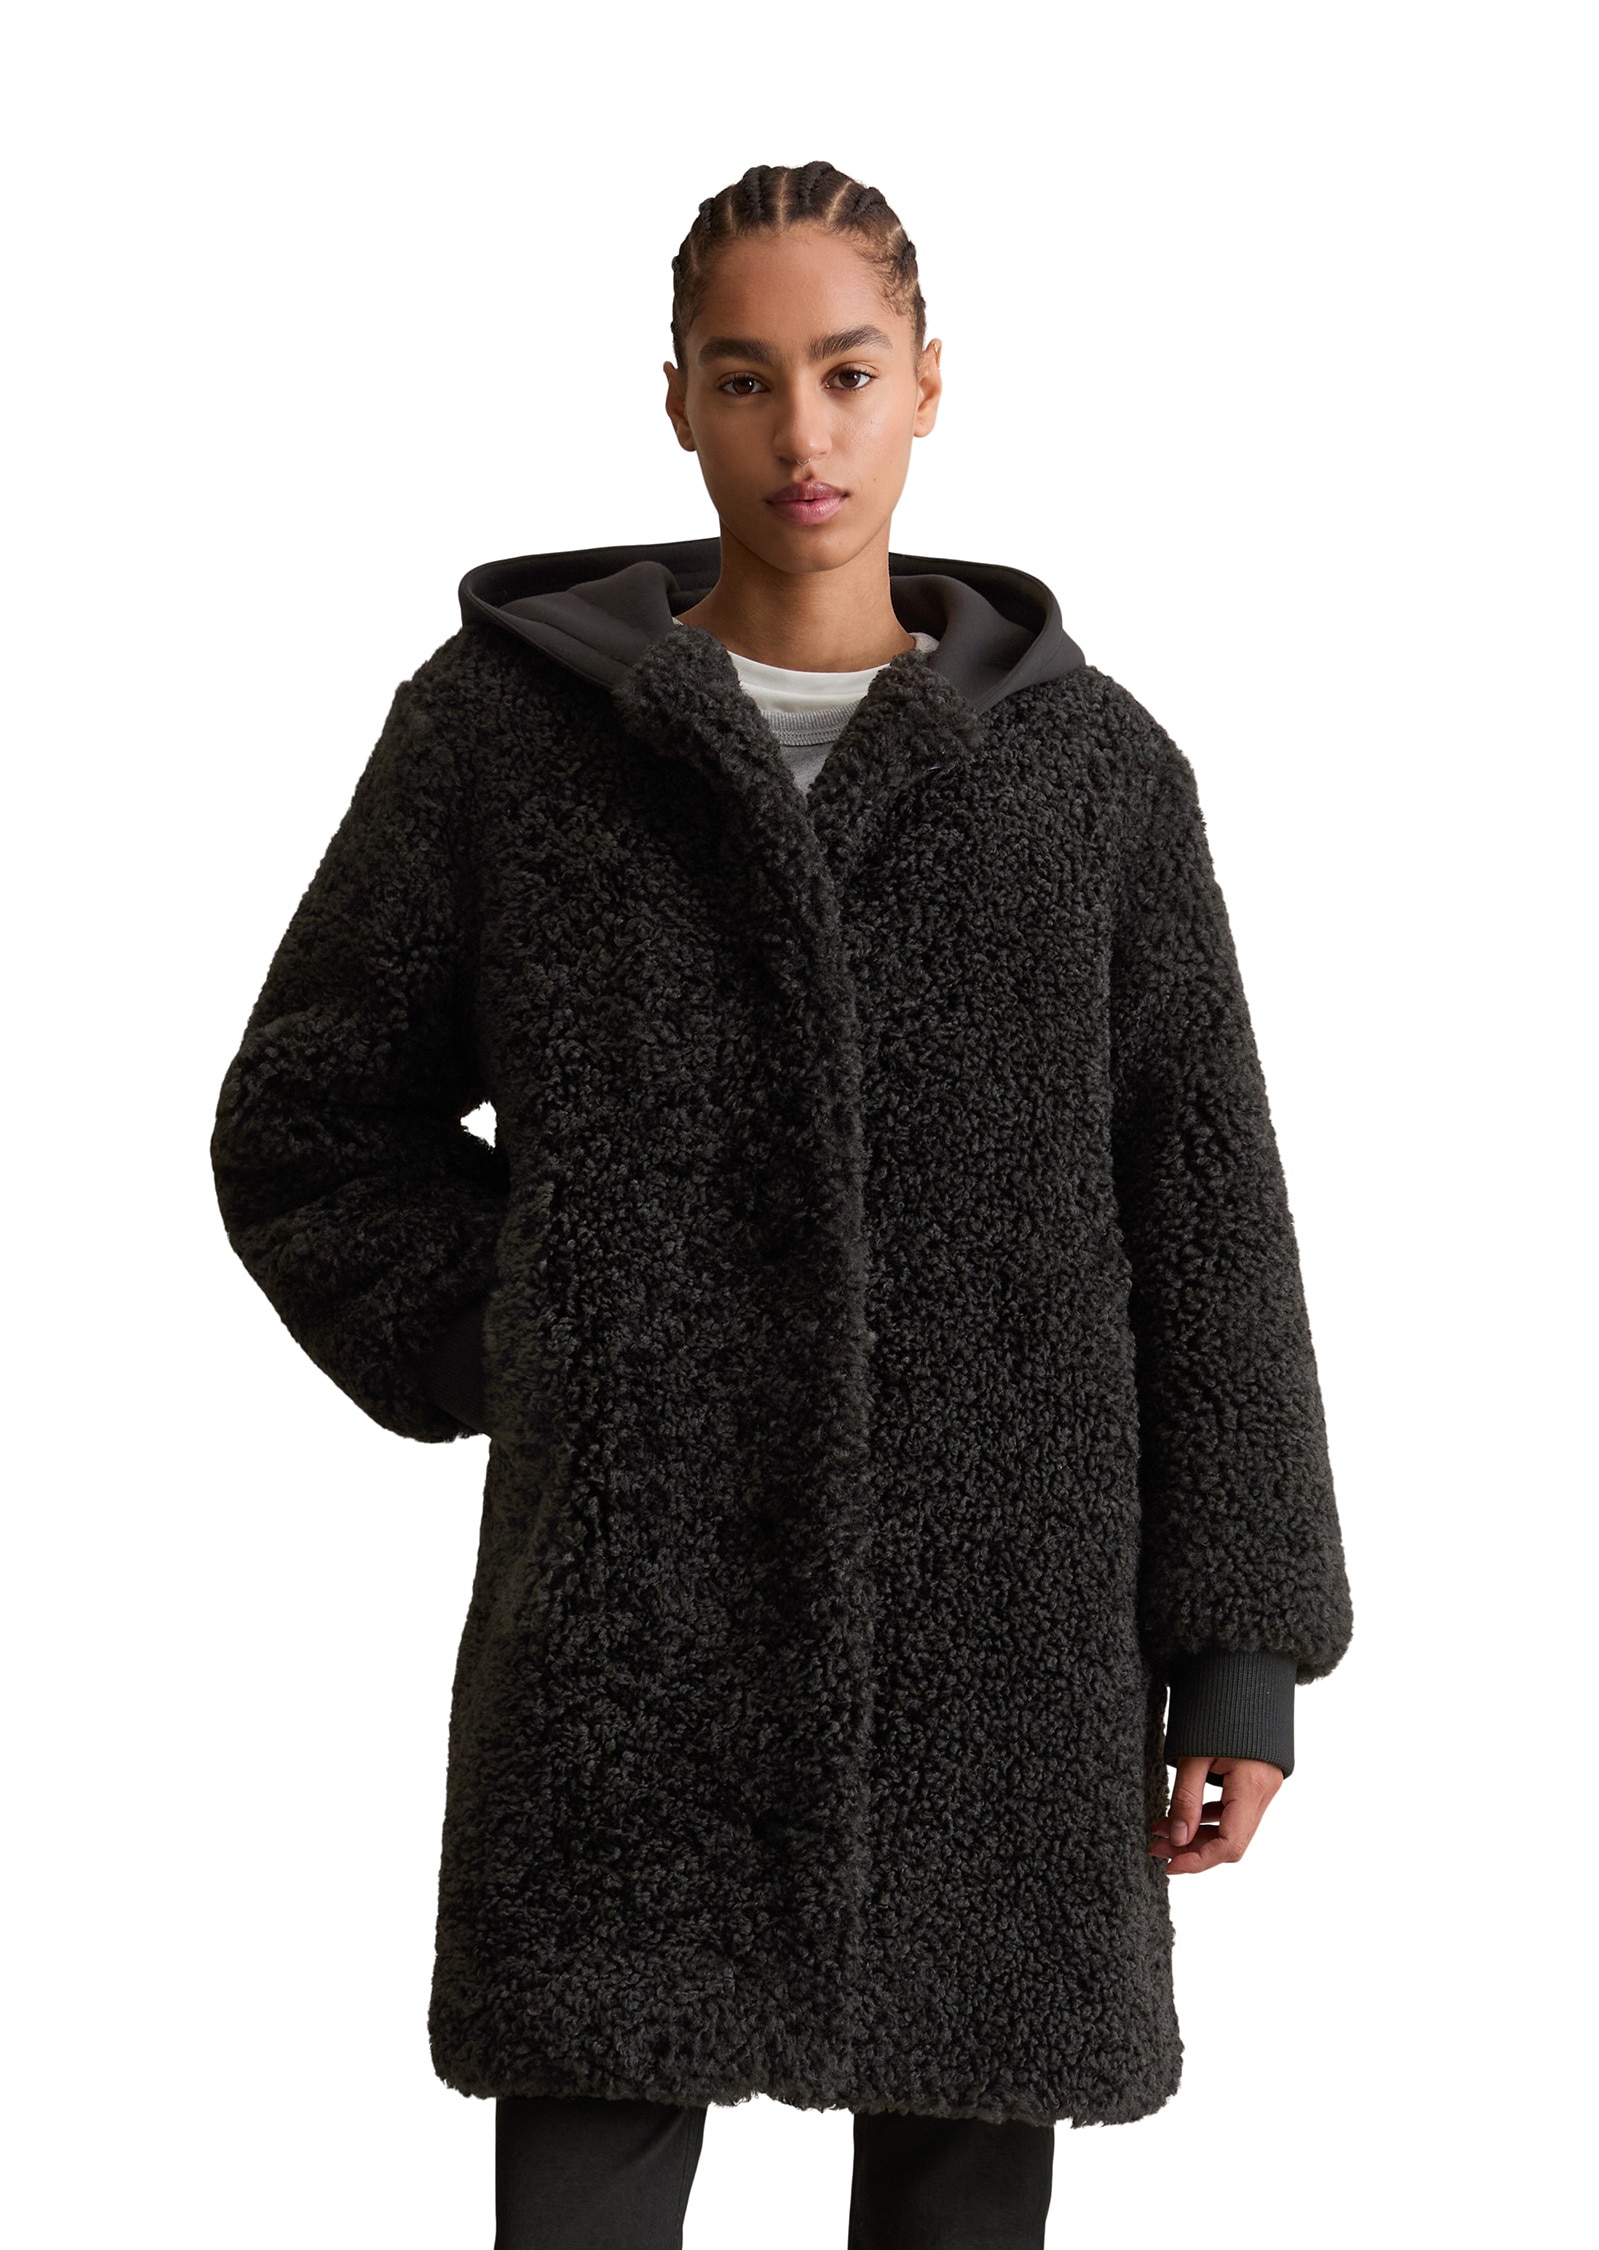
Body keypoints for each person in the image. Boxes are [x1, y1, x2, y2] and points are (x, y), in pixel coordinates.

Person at [212, 161, 1353, 2250]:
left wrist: (1241, 1649)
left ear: (929, 382)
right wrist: (526, 1324)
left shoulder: (1092, 777)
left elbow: (1204, 1215)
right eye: (744, 379)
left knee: (959, 2163)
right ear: (673, 398)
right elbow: (308, 1112)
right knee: (584, 2168)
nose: (800, 433)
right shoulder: (507, 740)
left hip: (1001, 1619)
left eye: (845, 372)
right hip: (627, 1619)